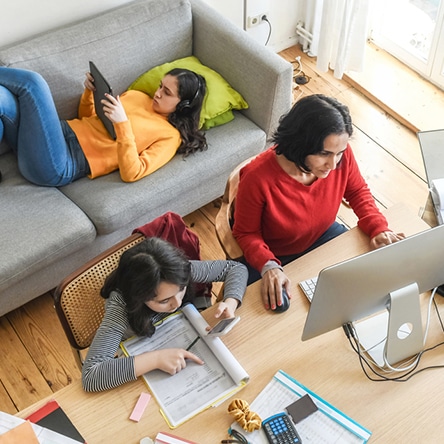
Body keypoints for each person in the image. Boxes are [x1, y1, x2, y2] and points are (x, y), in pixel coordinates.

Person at [232, 94, 405, 311]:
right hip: (275, 253)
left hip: (323, 235)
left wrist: (378, 228)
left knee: (364, 289)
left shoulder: (340, 157)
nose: (333, 165)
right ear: (300, 143)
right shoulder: (256, 178)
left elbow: (358, 191)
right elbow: (246, 233)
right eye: (324, 154)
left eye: (339, 153)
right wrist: (268, 265)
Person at [82, 237, 248, 392]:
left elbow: (235, 268)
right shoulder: (120, 307)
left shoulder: (175, 273)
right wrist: (155, 359)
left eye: (181, 290)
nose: (176, 304)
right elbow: (91, 375)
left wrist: (231, 302)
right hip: (143, 353)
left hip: (182, 335)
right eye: (164, 301)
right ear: (138, 297)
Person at [0, 66, 207, 186]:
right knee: (2, 97)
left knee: (33, 83)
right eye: (161, 86)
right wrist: (89, 93)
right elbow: (90, 118)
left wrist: (122, 124)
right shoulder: (138, 96)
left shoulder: (170, 136)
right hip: (51, 136)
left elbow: (132, 173)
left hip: (60, 163)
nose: (158, 93)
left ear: (184, 105)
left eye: (167, 93)